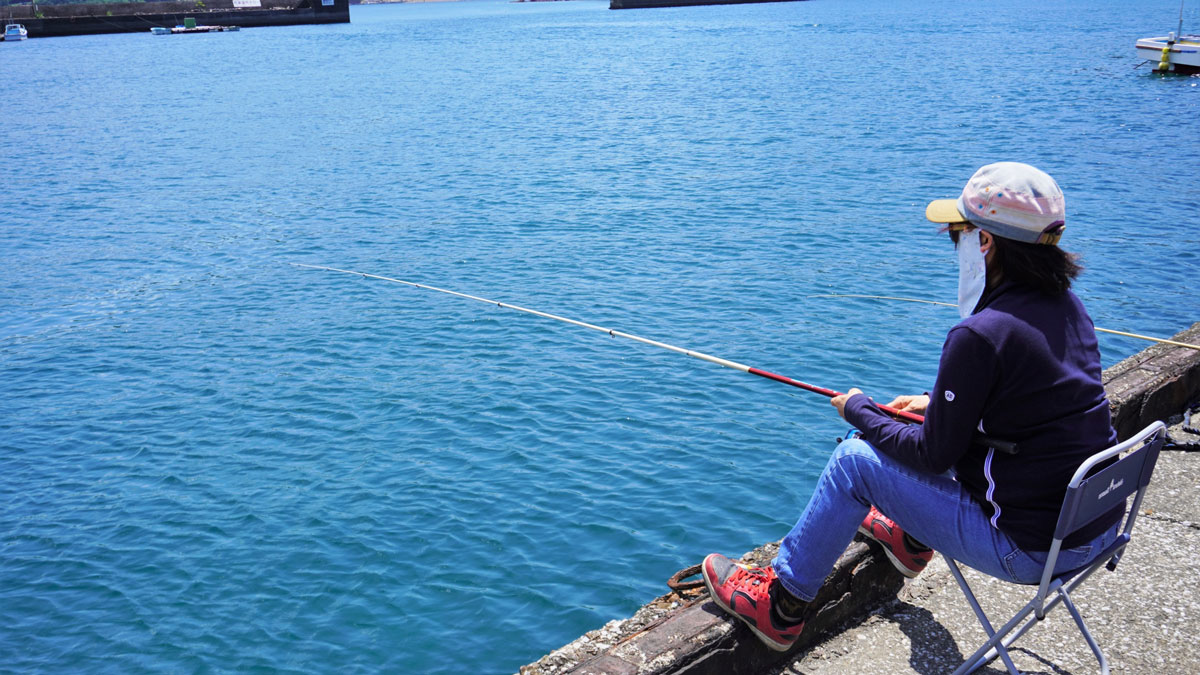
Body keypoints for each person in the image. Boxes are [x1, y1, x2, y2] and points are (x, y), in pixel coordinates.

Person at [701, 162, 1122, 651]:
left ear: (983, 243)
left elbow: (933, 456)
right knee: (918, 422)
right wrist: (931, 404)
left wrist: (858, 408)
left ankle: (780, 604)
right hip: (1095, 526)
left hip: (1029, 551)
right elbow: (1029, 406)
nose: (951, 242)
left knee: (853, 462)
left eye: (957, 235)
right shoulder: (1068, 308)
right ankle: (908, 535)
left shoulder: (978, 335)